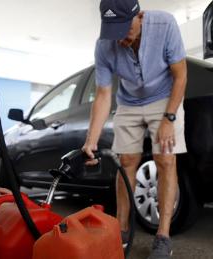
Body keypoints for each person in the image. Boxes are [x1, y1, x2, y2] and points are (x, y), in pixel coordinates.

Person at [82, 0, 187, 258]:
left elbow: (180, 75)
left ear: (139, 15)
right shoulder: (104, 46)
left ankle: (163, 236)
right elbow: (104, 95)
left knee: (165, 160)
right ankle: (122, 229)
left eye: (124, 28)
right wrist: (91, 140)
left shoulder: (165, 24)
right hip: (128, 102)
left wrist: (168, 119)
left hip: (164, 97)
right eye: (113, 30)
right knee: (126, 161)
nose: (118, 38)